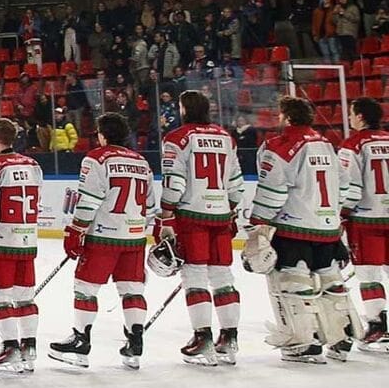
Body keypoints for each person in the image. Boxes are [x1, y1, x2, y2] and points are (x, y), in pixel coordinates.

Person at [247, 96, 353, 363]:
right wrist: (332, 217)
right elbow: (343, 185)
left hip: (294, 226)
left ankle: (305, 342)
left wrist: (259, 223)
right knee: (330, 279)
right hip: (326, 226)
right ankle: (342, 336)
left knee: (294, 282)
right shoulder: (327, 145)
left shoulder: (279, 145)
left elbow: (272, 190)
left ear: (287, 117)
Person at [50, 113, 155, 369]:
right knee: (132, 290)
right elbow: (150, 205)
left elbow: (88, 200)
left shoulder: (96, 158)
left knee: (85, 288)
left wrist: (76, 229)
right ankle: (135, 342)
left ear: (102, 134)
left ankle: (80, 341)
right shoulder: (141, 162)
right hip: (134, 238)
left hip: (103, 237)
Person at [159, 89, 245, 365]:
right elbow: (236, 183)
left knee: (195, 277)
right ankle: (229, 339)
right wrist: (229, 208)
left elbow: (175, 182)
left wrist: (167, 212)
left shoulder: (176, 138)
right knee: (222, 277)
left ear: (184, 110)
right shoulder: (225, 137)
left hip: (191, 216)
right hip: (220, 215)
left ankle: (203, 338)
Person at [0, 117, 43, 373]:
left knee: (0, 296)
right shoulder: (33, 164)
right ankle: (29, 347)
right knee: (25, 297)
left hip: (0, 240)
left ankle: (10, 347)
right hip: (27, 238)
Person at [340, 97, 389, 350]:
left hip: (367, 218)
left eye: (351, 113)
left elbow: (351, 188)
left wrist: (341, 214)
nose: (349, 118)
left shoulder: (354, 144)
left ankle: (378, 325)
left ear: (360, 117)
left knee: (368, 274)